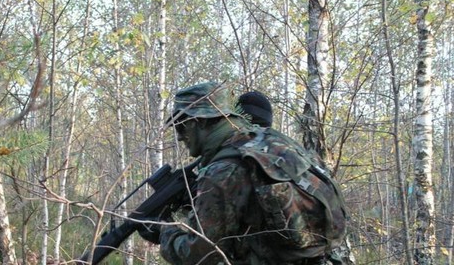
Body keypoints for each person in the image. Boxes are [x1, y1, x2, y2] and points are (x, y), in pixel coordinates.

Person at [139, 82, 345, 265]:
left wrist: (164, 231)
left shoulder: (223, 170)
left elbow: (199, 254)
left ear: (200, 122)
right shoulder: (274, 142)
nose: (180, 137)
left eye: (181, 126)